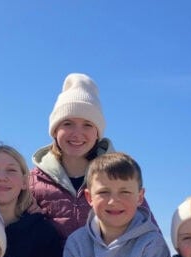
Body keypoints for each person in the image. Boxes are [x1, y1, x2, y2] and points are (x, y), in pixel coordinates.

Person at [29, 72, 155, 242]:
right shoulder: (33, 181)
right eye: (68, 123)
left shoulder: (121, 175)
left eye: (87, 125)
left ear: (97, 133)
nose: (77, 133)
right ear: (55, 130)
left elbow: (149, 232)